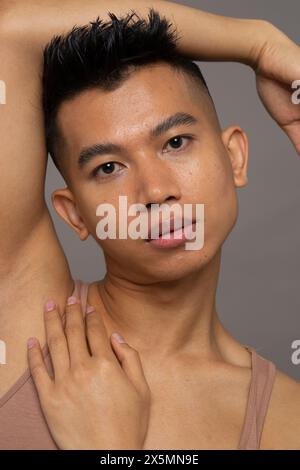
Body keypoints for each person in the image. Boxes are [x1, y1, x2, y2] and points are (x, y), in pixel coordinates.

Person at [0, 0, 299, 450]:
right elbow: (12, 30)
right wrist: (256, 41)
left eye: (175, 142)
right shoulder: (28, 324)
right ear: (75, 213)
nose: (156, 192)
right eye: (108, 168)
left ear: (234, 156)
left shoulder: (287, 418)